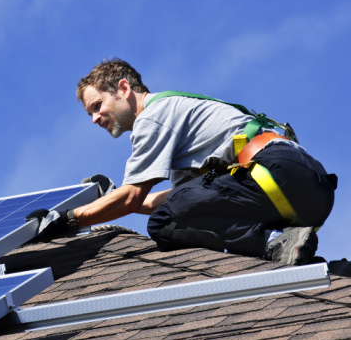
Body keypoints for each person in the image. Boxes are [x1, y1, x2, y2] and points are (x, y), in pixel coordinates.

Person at [26, 58, 337, 265]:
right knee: (174, 209)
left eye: (97, 106)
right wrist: (111, 201)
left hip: (275, 175)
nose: (94, 119)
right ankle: (304, 255)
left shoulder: (153, 117)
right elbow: (172, 199)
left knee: (164, 225)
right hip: (311, 190)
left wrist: (68, 219)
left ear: (123, 88)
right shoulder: (179, 118)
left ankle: (274, 242)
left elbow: (135, 197)